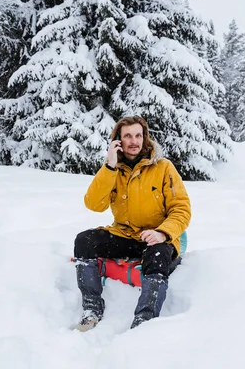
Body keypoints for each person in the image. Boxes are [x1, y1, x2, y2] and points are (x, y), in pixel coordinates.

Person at [73, 116, 191, 331]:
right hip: (125, 235)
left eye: (138, 135)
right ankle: (92, 308)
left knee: (156, 255)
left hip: (157, 237)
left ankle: (144, 320)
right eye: (128, 136)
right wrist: (110, 166)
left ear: (145, 138)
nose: (134, 141)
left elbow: (181, 209)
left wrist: (163, 233)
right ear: (118, 140)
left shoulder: (164, 167)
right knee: (84, 240)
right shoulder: (113, 169)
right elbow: (93, 204)